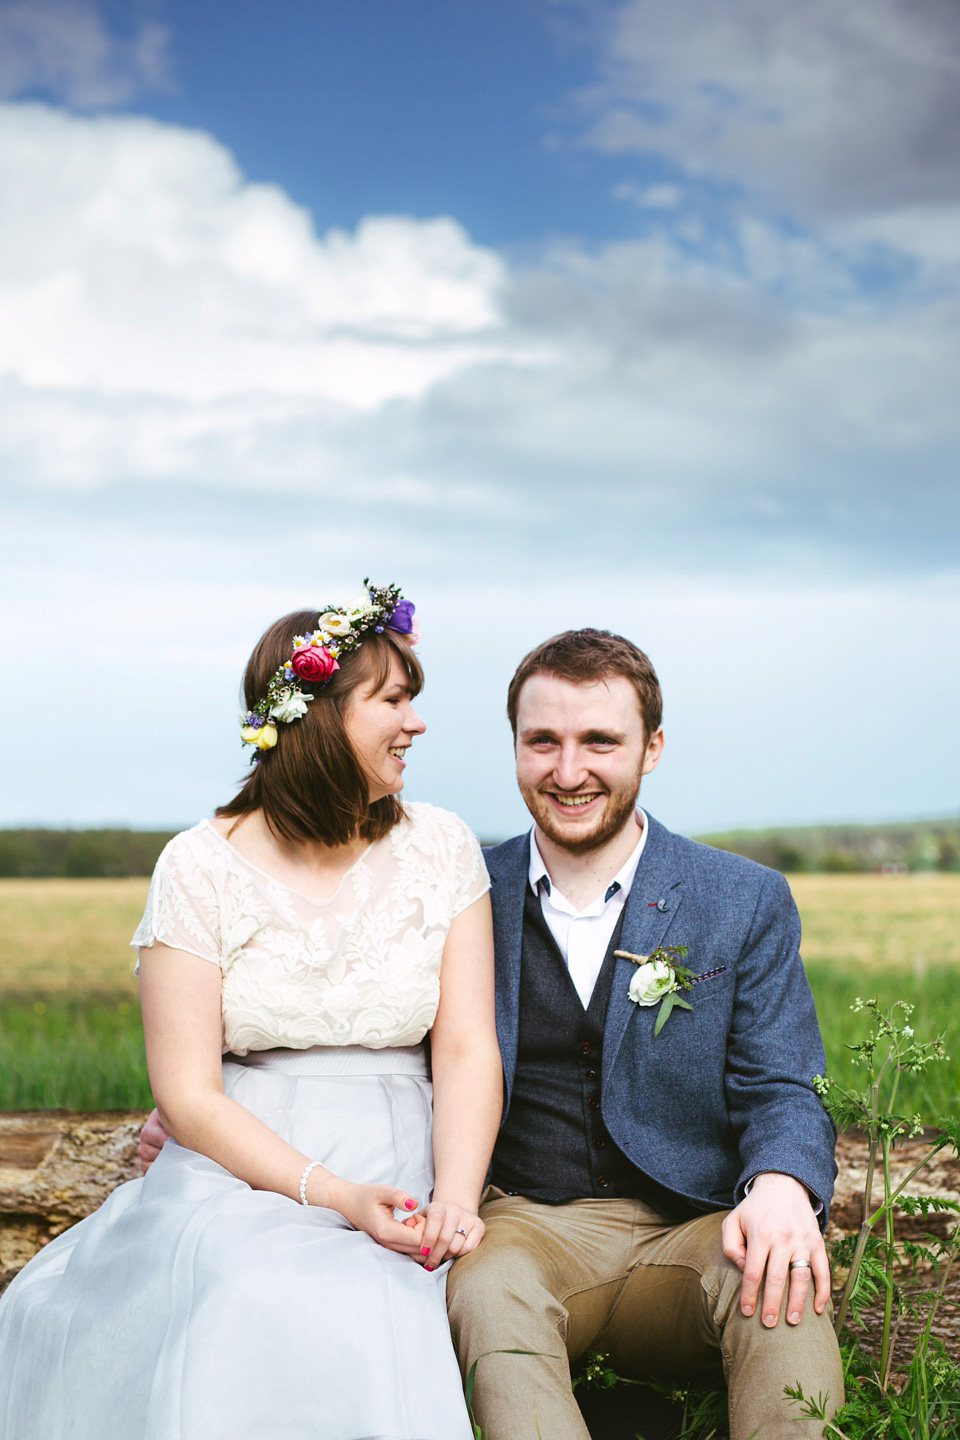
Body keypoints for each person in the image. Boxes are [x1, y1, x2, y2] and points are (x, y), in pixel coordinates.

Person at [0, 582, 502, 1440]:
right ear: (316, 718)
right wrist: (337, 1195)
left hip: (408, 1148)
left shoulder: (443, 846)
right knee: (241, 1286)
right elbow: (188, 1093)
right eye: (392, 700)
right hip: (244, 1161)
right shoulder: (197, 866)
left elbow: (464, 1048)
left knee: (377, 1305)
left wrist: (453, 1199)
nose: (416, 723)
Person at [443, 628, 844, 1440]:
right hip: (526, 1227)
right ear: (515, 747)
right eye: (542, 742)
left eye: (600, 741)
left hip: (697, 1226)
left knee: (782, 1283)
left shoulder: (743, 898)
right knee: (487, 1291)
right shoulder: (459, 891)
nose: (568, 771)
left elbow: (782, 1083)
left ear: (651, 748)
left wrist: (781, 1186)